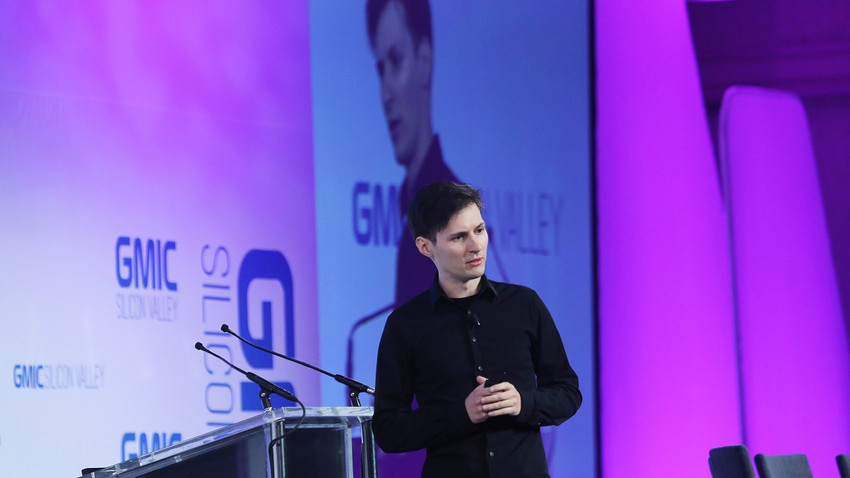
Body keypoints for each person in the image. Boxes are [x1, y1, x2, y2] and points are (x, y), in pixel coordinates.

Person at [373, 182, 582, 477]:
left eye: (479, 230)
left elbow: (568, 393)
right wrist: (461, 414)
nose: (476, 246)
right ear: (425, 246)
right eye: (459, 237)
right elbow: (388, 430)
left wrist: (524, 401)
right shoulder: (405, 325)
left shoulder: (524, 304)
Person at [366, 0, 459, 304]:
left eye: (396, 61)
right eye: (381, 70)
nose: (385, 94)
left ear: (425, 60)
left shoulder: (446, 212)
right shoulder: (412, 210)